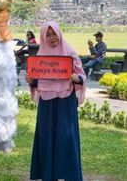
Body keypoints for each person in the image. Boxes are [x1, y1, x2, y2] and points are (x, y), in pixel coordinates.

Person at [26, 21, 86, 181]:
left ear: (59, 34)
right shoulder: (39, 58)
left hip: (65, 103)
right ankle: (49, 175)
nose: (52, 38)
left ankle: (70, 175)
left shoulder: (70, 54)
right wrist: (32, 81)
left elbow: (82, 76)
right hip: (47, 102)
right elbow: (38, 80)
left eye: (54, 34)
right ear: (43, 37)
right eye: (48, 35)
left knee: (66, 137)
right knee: (47, 137)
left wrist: (77, 78)